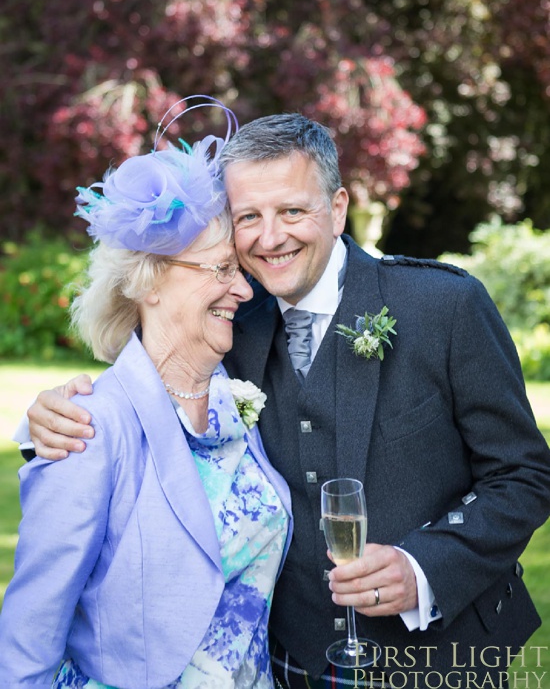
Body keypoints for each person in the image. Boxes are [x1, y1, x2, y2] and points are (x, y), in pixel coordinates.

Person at [22, 113, 550, 688]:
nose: (270, 238)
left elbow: (524, 474)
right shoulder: (230, 321)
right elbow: (153, 377)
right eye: (249, 216)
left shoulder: (443, 307)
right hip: (288, 663)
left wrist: (423, 569)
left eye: (293, 211)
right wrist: (56, 415)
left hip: (440, 661)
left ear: (338, 208)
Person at [0, 99, 292, 688]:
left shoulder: (237, 405)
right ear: (150, 282)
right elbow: (27, 637)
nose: (242, 287)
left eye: (238, 268)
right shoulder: (87, 428)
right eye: (219, 269)